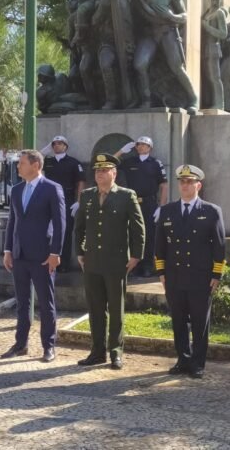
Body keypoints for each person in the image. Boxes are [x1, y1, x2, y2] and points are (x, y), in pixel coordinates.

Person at [74, 153, 145, 370]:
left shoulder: (126, 196)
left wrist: (136, 255)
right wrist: (79, 252)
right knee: (95, 309)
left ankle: (116, 352)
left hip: (116, 262)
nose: (99, 174)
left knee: (115, 308)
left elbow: (137, 228)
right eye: (97, 171)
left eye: (104, 170)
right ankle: (97, 351)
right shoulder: (86, 196)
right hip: (92, 261)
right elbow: (79, 227)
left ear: (114, 173)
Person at [155, 165, 225, 379]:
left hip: (200, 276)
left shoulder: (211, 211)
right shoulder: (167, 211)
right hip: (174, 276)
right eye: (182, 182)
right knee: (178, 320)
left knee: (199, 321)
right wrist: (161, 272)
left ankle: (197, 362)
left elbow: (219, 246)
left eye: (189, 182)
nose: (185, 185)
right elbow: (159, 245)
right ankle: (183, 359)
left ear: (198, 185)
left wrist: (216, 275)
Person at [2, 149, 65, 363]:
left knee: (46, 303)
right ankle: (21, 344)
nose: (18, 167)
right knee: (22, 302)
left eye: (21, 163)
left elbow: (60, 224)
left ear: (36, 165)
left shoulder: (52, 189)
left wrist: (55, 252)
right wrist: (8, 249)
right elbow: (13, 221)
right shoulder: (18, 189)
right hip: (20, 255)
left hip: (43, 255)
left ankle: (48, 346)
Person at [130, 0, 198, 113]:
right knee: (139, 64)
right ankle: (146, 100)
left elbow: (185, 16)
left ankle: (193, 99)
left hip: (168, 31)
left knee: (176, 67)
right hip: (149, 35)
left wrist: (172, 17)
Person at [115, 136, 167, 277]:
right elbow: (110, 162)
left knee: (149, 235)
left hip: (149, 203)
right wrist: (122, 151)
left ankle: (148, 266)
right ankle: (134, 265)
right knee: (132, 234)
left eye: (144, 145)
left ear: (150, 148)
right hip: (132, 203)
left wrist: (161, 206)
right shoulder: (130, 161)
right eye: (138, 145)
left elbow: (163, 185)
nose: (141, 147)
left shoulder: (156, 163)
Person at [43, 135, 85, 272]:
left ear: (65, 146)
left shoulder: (73, 163)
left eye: (60, 144)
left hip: (66, 200)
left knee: (65, 232)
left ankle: (63, 263)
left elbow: (81, 182)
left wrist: (78, 201)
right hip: (47, 199)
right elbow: (32, 159)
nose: (56, 146)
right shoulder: (47, 161)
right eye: (54, 144)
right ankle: (46, 260)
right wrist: (45, 150)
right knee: (47, 231)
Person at [201, 0, 227, 110]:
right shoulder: (207, 13)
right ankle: (209, 101)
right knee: (208, 77)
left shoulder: (219, 13)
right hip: (205, 48)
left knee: (215, 77)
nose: (214, 1)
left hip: (214, 47)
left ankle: (219, 104)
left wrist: (208, 27)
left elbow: (223, 34)